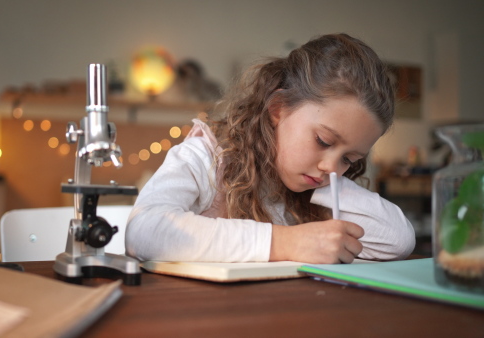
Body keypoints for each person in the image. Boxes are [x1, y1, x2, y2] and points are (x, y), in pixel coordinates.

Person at [125, 33, 415, 264]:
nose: (332, 168)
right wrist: (286, 242)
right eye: (323, 141)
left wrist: (326, 188)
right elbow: (144, 231)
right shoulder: (206, 158)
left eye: (349, 159)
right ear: (278, 109)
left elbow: (398, 241)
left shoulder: (317, 188)